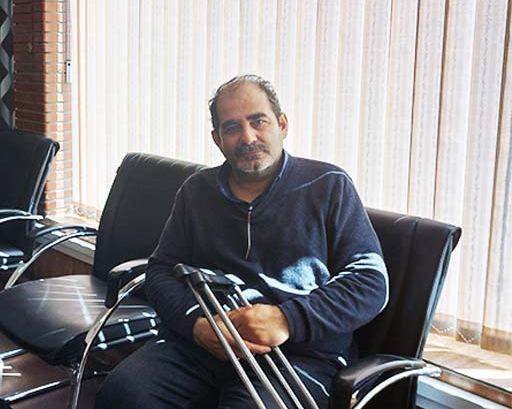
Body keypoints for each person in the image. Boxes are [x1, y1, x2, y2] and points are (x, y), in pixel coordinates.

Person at [95, 75, 389, 409]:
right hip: (204, 344)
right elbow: (161, 270)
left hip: (296, 357)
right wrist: (196, 326)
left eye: (258, 121)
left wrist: (287, 319)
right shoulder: (196, 191)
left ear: (282, 124)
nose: (248, 137)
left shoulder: (329, 186)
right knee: (122, 394)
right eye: (232, 127)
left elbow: (370, 281)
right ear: (217, 139)